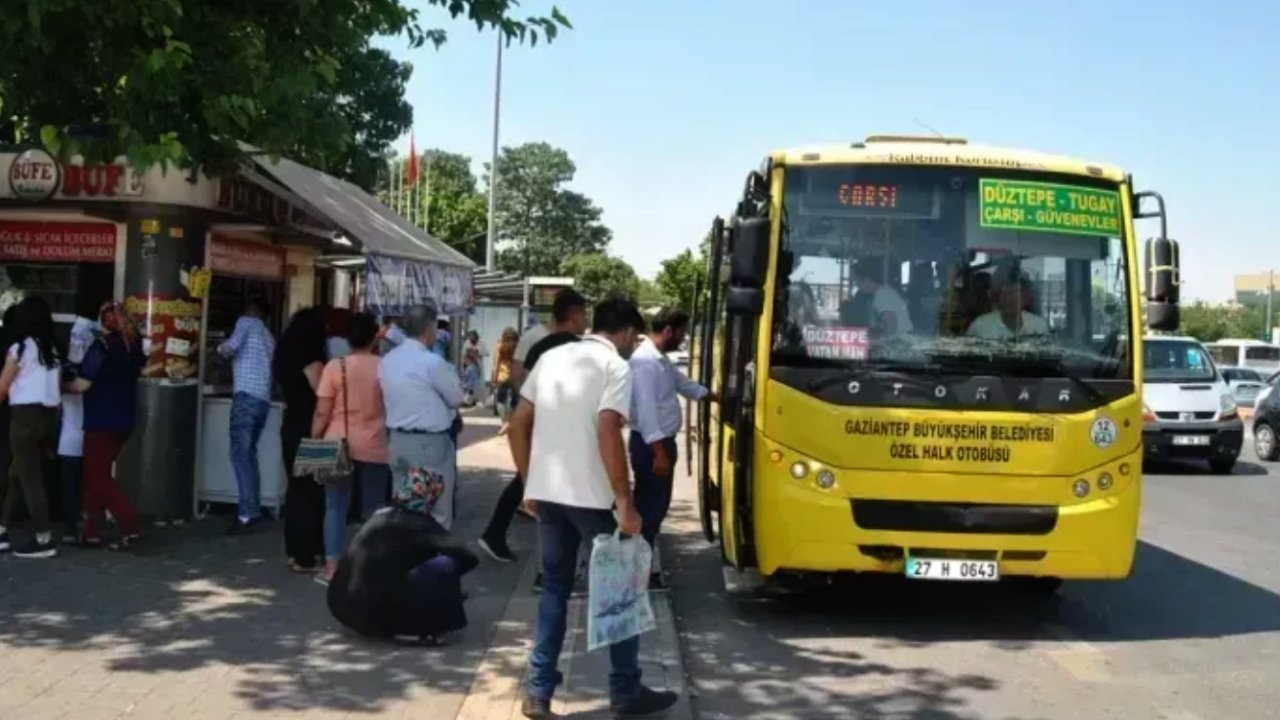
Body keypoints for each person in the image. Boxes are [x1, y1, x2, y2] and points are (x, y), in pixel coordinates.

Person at [507, 298, 677, 719]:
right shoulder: (614, 368)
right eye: (632, 337)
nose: (631, 345)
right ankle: (625, 690)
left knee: (554, 590)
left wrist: (530, 482)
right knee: (620, 594)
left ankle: (539, 690)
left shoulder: (553, 357)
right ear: (622, 332)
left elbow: (517, 424)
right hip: (593, 499)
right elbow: (607, 431)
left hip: (549, 494)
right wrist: (625, 501)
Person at [478, 289, 589, 565]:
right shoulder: (535, 338)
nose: (586, 320)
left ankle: (497, 533)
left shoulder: (571, 341)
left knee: (527, 477)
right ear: (574, 314)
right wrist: (534, 414)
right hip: (537, 420)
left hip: (548, 422)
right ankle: (498, 534)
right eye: (584, 314)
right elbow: (519, 379)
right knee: (527, 477)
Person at [628, 307, 714, 591]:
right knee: (649, 511)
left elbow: (682, 384)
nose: (683, 337)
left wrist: (712, 396)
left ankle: (644, 570)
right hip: (652, 445)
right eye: (681, 332)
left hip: (660, 443)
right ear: (668, 331)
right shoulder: (645, 363)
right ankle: (640, 575)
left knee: (656, 509)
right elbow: (646, 411)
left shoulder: (659, 360)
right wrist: (660, 453)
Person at [326, 503, 479, 644]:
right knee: (447, 563)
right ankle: (416, 628)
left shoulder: (379, 515)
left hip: (343, 607)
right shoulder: (419, 522)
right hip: (374, 615)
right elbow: (466, 555)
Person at [312, 312, 391, 584]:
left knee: (334, 506)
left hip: (335, 441)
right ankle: (367, 567)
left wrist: (314, 438)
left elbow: (322, 411)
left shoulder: (335, 366)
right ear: (374, 338)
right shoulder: (385, 367)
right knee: (373, 508)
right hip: (375, 444)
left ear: (348, 339)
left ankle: (332, 566)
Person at [63, 301, 145, 549]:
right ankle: (92, 532)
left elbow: (83, 384)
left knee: (97, 477)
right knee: (95, 475)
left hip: (101, 418)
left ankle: (131, 527)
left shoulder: (102, 346)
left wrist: (61, 385)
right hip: (124, 419)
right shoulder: (134, 347)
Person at [379, 302, 465, 532]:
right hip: (429, 444)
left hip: (397, 440)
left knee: (404, 508)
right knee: (436, 510)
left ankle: (405, 560)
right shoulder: (432, 362)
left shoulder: (387, 361)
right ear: (429, 329)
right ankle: (430, 562)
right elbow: (456, 397)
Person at [0, 297, 65, 558]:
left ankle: (43, 538)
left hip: (24, 419)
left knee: (30, 480)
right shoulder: (54, 349)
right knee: (18, 474)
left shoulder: (20, 349)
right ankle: (2, 529)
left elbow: (3, 386)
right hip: (47, 418)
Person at [274, 307, 328, 573]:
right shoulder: (310, 355)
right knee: (312, 490)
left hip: (291, 425)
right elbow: (321, 393)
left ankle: (295, 552)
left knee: (296, 490)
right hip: (312, 429)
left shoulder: (284, 351)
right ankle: (308, 554)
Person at [218, 298, 276, 535]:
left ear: (252, 310)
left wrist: (218, 348)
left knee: (240, 455)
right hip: (262, 399)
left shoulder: (246, 322)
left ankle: (246, 513)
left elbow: (230, 348)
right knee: (249, 455)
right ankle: (253, 508)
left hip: (245, 398)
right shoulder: (269, 337)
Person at [58, 315, 97, 544]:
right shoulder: (97, 367)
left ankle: (72, 528)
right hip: (88, 435)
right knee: (88, 486)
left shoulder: (67, 369)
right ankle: (86, 527)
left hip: (70, 438)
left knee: (71, 487)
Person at [966, 272, 1049, 340]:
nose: (1010, 299)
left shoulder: (1039, 326)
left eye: (1015, 293)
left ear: (1026, 299)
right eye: (1006, 294)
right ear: (999, 299)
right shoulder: (980, 326)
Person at [850, 259, 913, 337]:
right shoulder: (883, 291)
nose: (856, 285)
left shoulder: (882, 295)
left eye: (857, 281)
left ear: (866, 279)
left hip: (900, 341)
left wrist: (880, 342)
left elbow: (891, 324)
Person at [491, 327, 519, 431]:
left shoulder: (500, 345)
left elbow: (496, 363)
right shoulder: (518, 346)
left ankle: (504, 422)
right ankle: (510, 422)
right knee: (514, 400)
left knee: (500, 400)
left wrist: (494, 379)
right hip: (514, 375)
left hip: (502, 376)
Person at [460, 330, 485, 406]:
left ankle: (473, 399)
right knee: (469, 382)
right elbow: (464, 355)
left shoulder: (481, 343)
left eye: (474, 339)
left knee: (476, 383)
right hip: (469, 366)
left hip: (477, 365)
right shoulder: (467, 343)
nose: (472, 340)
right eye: (471, 339)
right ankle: (468, 399)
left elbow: (484, 352)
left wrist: (475, 351)